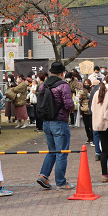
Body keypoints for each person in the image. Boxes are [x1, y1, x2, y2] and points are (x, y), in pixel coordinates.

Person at [36, 62, 76, 191]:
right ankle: (61, 182)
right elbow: (69, 104)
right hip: (59, 122)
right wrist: (72, 108)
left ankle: (44, 175)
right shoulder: (63, 86)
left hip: (46, 122)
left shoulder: (43, 85)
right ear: (63, 73)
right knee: (61, 153)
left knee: (52, 151)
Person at [79, 80, 93, 144]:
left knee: (91, 125)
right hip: (84, 110)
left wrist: (88, 95)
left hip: (90, 110)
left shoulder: (92, 90)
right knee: (86, 125)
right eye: (85, 83)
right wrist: (80, 97)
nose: (86, 84)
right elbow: (78, 100)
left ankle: (92, 138)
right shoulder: (82, 91)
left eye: (87, 83)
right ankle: (89, 138)